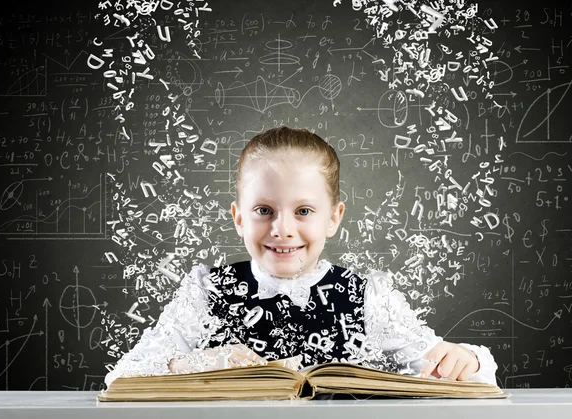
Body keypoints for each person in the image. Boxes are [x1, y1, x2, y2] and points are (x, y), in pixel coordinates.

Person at [104, 126, 498, 390]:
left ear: (334, 218)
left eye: (304, 211)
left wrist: (469, 361)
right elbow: (122, 378)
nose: (282, 229)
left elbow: (455, 370)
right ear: (239, 218)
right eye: (263, 210)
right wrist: (212, 362)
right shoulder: (206, 292)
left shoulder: (369, 299)